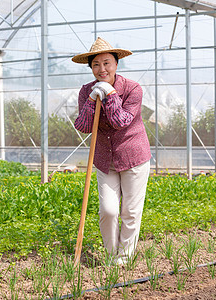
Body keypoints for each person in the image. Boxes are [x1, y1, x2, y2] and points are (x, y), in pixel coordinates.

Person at [72, 37, 151, 265]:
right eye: (96, 64)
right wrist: (92, 98)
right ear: (90, 68)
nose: (102, 69)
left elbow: (121, 121)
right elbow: (84, 126)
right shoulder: (87, 90)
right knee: (108, 210)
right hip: (105, 159)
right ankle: (110, 254)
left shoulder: (132, 89)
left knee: (130, 212)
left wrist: (110, 94)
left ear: (116, 64)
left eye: (107, 63)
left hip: (133, 156)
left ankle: (123, 258)